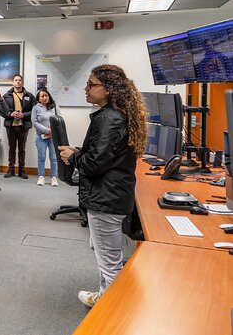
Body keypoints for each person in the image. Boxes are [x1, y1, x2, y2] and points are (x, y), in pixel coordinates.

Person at [58, 64, 147, 309]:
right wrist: (80, 152)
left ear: (107, 89)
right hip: (113, 194)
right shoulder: (115, 115)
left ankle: (113, 314)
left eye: (91, 84)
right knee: (108, 257)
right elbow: (104, 154)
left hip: (105, 198)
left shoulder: (109, 119)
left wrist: (73, 158)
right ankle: (104, 296)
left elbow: (95, 163)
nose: (86, 89)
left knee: (109, 262)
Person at [1, 74, 36, 179]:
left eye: (20, 80)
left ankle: (22, 171)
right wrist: (10, 114)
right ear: (13, 82)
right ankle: (10, 170)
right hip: (11, 126)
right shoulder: (6, 96)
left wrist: (23, 115)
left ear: (22, 82)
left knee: (22, 149)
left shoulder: (29, 96)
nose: (18, 82)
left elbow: (34, 111)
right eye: (16, 80)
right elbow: (2, 111)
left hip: (23, 126)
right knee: (11, 148)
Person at [31, 88, 61, 187]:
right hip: (41, 136)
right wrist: (47, 131)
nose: (44, 98)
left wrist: (53, 131)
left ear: (49, 96)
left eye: (46, 95)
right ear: (39, 99)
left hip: (53, 137)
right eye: (42, 96)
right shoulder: (36, 108)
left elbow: (60, 120)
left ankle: (53, 177)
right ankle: (41, 176)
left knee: (54, 158)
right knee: (41, 157)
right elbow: (34, 122)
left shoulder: (54, 106)